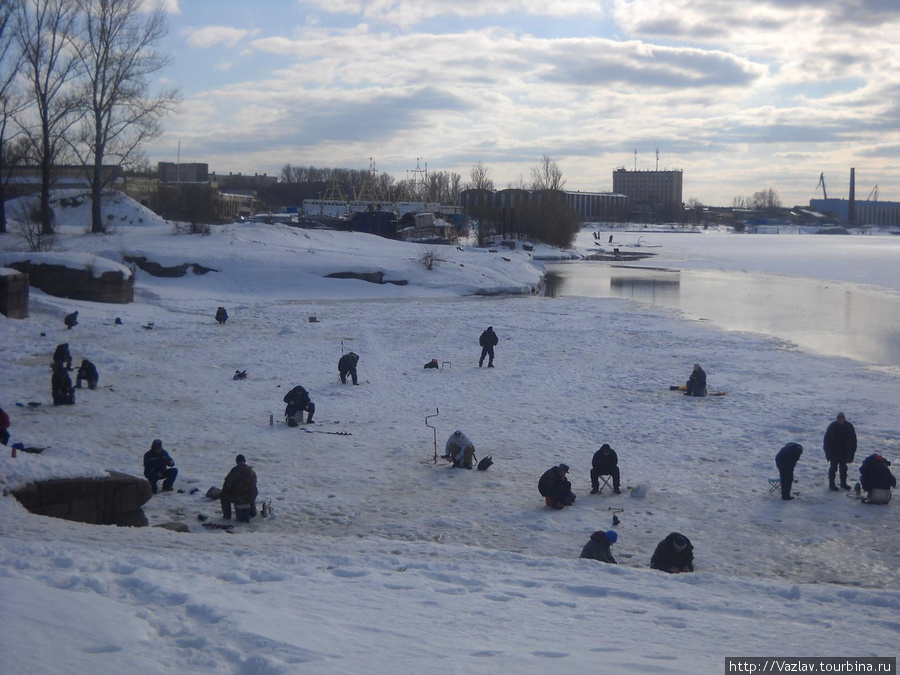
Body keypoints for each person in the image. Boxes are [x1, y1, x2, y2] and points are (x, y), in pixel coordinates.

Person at [824, 412, 857, 491]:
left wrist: (852, 451)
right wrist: (828, 451)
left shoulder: (849, 426)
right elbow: (827, 440)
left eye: (842, 418)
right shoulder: (832, 426)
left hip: (844, 452)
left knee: (843, 468)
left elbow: (853, 440)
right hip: (834, 452)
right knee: (833, 468)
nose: (840, 420)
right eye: (839, 418)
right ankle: (831, 484)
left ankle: (843, 483)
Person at [220, 454, 259, 522]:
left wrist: (223, 492)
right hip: (251, 496)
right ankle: (253, 512)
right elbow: (254, 482)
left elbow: (227, 485)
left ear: (237, 462)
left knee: (223, 496)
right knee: (251, 492)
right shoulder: (251, 471)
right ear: (244, 461)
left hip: (238, 497)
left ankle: (227, 516)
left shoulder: (234, 471)